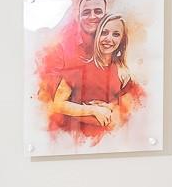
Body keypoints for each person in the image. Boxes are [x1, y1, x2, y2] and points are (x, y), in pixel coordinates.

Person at [49, 14, 144, 143]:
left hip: (110, 142)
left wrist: (110, 106)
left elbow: (124, 109)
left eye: (116, 34)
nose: (109, 39)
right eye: (104, 32)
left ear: (122, 40)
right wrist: (93, 110)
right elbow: (58, 105)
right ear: (97, 35)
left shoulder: (123, 73)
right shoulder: (77, 66)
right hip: (73, 141)